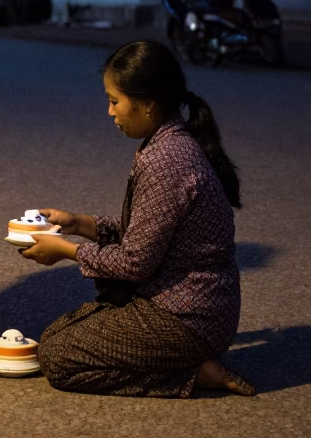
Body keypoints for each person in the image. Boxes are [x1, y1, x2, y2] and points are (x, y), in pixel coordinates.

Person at [19, 40, 255, 398]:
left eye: (115, 101)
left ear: (148, 104)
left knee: (57, 359)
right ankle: (186, 363)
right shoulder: (166, 141)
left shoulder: (168, 161)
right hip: (177, 305)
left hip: (189, 318)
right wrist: (79, 223)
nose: (110, 112)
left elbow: (135, 262)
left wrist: (66, 251)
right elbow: (148, 231)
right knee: (53, 336)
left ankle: (190, 374)